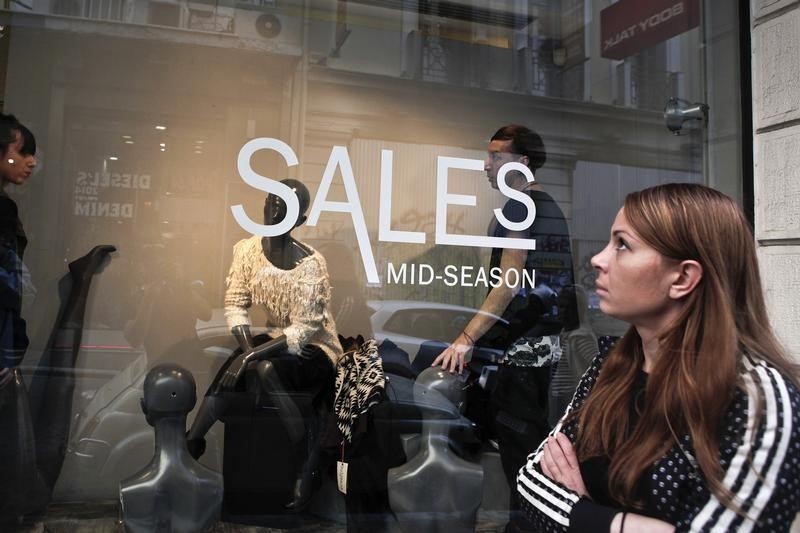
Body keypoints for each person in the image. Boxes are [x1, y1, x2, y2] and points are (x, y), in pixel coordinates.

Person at [517, 183, 800, 532]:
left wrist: (582, 515)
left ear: (682, 278)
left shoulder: (760, 398)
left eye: (622, 244)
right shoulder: (611, 365)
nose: (598, 260)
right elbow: (531, 483)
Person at [432, 124, 575, 531]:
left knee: (520, 461)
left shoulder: (520, 205)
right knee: (527, 457)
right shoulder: (549, 207)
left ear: (523, 162)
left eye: (496, 156)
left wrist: (465, 339)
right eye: (488, 155)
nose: (487, 164)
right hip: (541, 351)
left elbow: (509, 283)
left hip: (521, 354)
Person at [187, 179, 342, 511]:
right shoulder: (247, 250)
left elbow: (305, 328)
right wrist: (246, 354)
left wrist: (253, 357)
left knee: (266, 367)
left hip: (315, 346)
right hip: (276, 338)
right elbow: (235, 302)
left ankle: (304, 462)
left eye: (286, 203)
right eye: (272, 200)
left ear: (300, 217)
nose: (275, 208)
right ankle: (192, 442)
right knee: (243, 360)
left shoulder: (311, 263)